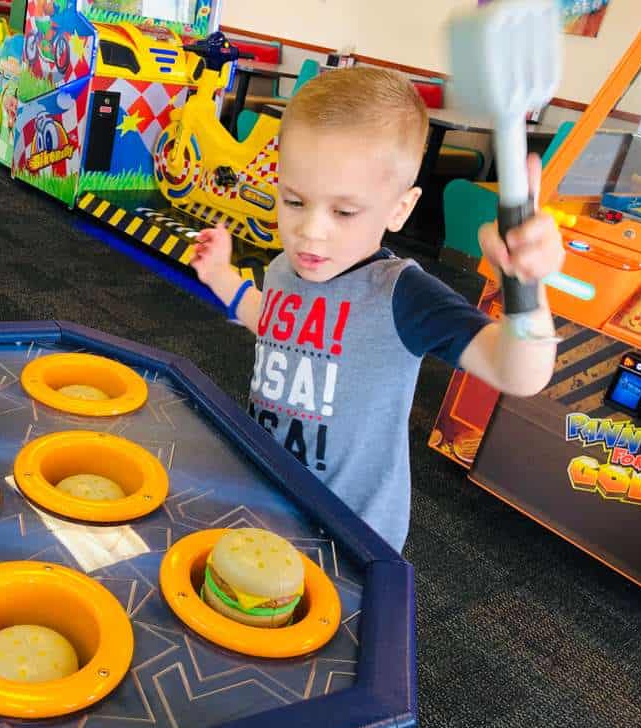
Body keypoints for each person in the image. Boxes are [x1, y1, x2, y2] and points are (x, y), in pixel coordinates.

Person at [190, 67, 564, 553]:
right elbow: (275, 323)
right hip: (266, 492)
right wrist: (221, 275)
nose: (311, 231)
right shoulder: (286, 266)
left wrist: (526, 291)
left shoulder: (401, 294)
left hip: (347, 535)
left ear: (400, 209)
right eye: (294, 200)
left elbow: (518, 373)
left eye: (344, 212)